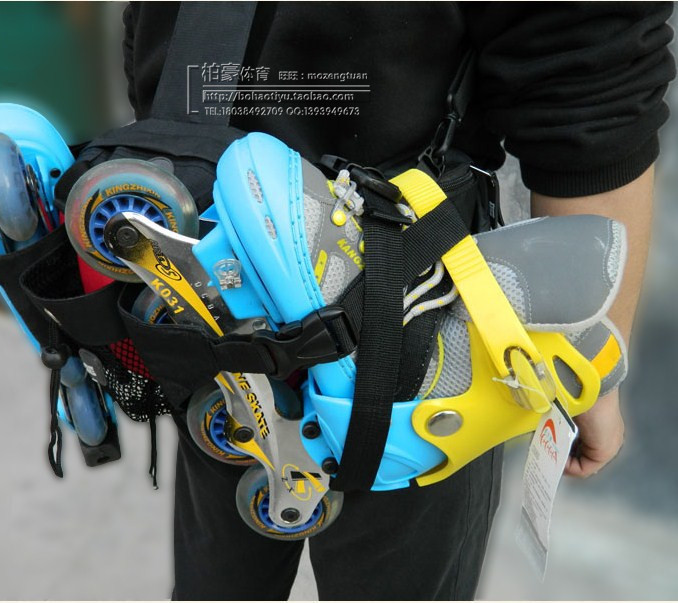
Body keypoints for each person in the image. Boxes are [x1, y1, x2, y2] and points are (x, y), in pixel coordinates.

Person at [120, 2, 675, 600]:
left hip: (198, 249)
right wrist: (590, 364)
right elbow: (588, 83)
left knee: (220, 553)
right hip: (416, 326)